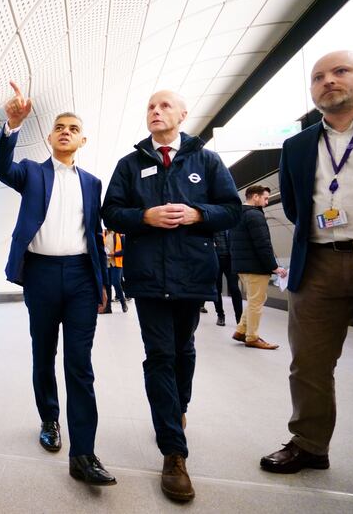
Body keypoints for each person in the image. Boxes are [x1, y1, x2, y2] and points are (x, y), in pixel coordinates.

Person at [260, 50, 353, 513]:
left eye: (341, 71)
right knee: (309, 364)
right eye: (318, 77)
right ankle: (310, 444)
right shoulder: (297, 146)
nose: (328, 81)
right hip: (318, 262)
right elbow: (297, 208)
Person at [102, 90, 241, 502]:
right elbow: (111, 212)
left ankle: (177, 408)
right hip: (147, 277)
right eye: (149, 106)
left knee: (185, 349)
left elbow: (231, 209)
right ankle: (174, 453)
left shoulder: (206, 160)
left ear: (183, 113)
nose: (156, 111)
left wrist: (199, 214)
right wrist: (143, 217)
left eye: (164, 106)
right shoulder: (130, 165)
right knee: (160, 354)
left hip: (192, 274)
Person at [0, 81, 114, 486]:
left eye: (72, 128)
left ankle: (84, 453)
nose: (65, 131)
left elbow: (94, 234)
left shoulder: (92, 183)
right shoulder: (30, 172)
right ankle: (49, 419)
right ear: (49, 136)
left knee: (79, 363)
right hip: (40, 275)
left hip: (80, 277)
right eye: (59, 126)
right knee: (43, 353)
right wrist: (11, 126)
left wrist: (102, 282)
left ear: (82, 139)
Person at [229, 185, 288, 349]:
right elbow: (262, 244)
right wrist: (274, 267)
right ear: (255, 196)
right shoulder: (255, 215)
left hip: (242, 266)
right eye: (265, 198)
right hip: (255, 267)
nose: (267, 202)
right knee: (256, 302)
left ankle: (241, 330)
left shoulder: (237, 214)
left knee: (255, 299)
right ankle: (252, 337)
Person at [212, 229, 242, 326]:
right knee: (217, 289)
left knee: (234, 288)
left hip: (230, 259)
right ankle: (220, 315)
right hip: (215, 260)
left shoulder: (230, 223)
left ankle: (239, 318)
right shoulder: (211, 224)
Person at [102, 229, 128, 313]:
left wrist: (114, 254)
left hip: (116, 263)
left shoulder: (120, 235)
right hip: (106, 264)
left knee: (116, 282)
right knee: (107, 284)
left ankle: (123, 303)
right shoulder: (103, 234)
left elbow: (125, 250)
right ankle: (108, 308)